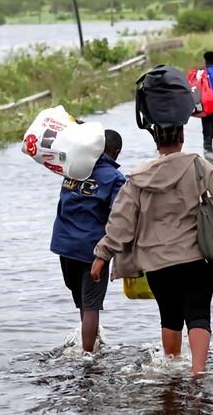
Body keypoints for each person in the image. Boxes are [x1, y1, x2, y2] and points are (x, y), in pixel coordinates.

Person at [91, 75, 213, 376]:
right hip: (196, 258)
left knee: (169, 316)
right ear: (181, 135)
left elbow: (121, 222)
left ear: (156, 141)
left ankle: (172, 371)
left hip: (158, 264)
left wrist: (102, 256)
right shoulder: (199, 166)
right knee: (198, 314)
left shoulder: (137, 179)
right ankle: (198, 374)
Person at [50, 129, 125, 353]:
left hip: (64, 247)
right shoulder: (114, 179)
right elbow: (119, 218)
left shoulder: (74, 168)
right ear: (117, 153)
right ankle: (88, 356)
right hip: (92, 251)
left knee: (83, 303)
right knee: (91, 305)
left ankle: (88, 342)